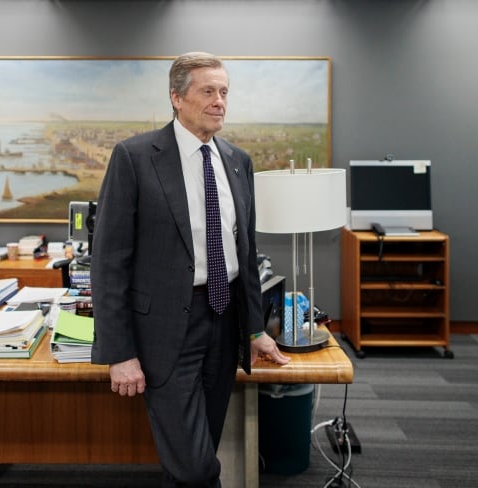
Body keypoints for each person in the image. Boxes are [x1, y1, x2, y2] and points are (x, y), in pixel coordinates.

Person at [90, 51, 291, 487]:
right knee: (197, 466)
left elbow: (246, 254)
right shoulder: (135, 157)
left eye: (224, 92)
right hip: (164, 331)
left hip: (224, 323)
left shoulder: (238, 161)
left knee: (192, 458)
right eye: (208, 91)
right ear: (176, 97)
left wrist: (255, 329)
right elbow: (108, 264)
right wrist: (118, 352)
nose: (220, 101)